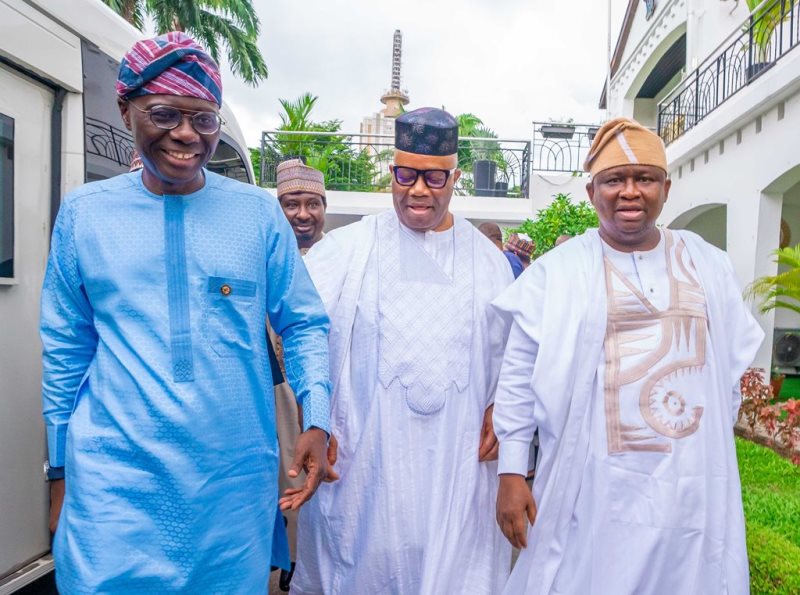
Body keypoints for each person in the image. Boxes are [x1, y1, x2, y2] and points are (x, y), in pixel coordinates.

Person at [40, 32, 332, 593]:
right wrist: (59, 470)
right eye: (165, 113)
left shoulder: (257, 217)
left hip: (229, 483)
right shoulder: (84, 214)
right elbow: (66, 347)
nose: (186, 134)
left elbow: (303, 322)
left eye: (203, 119)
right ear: (127, 110)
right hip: (114, 483)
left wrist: (316, 417)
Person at [492, 117, 764, 595]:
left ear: (667, 187)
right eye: (614, 180)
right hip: (593, 485)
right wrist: (513, 470)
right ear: (591, 190)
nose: (630, 192)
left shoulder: (709, 264)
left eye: (645, 179)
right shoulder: (556, 272)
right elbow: (516, 378)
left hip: (691, 484)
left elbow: (731, 369)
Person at [292, 107, 513, 594]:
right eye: (405, 174)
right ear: (391, 172)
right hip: (365, 469)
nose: (418, 189)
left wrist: (505, 408)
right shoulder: (346, 250)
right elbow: (302, 335)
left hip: (458, 470)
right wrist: (317, 415)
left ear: (454, 177)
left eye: (434, 177)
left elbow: (512, 357)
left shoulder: (489, 261)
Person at [272, 158, 332, 591]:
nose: (303, 214)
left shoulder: (341, 258)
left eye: (312, 203)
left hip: (328, 398)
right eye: (292, 203)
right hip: (278, 397)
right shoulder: (265, 257)